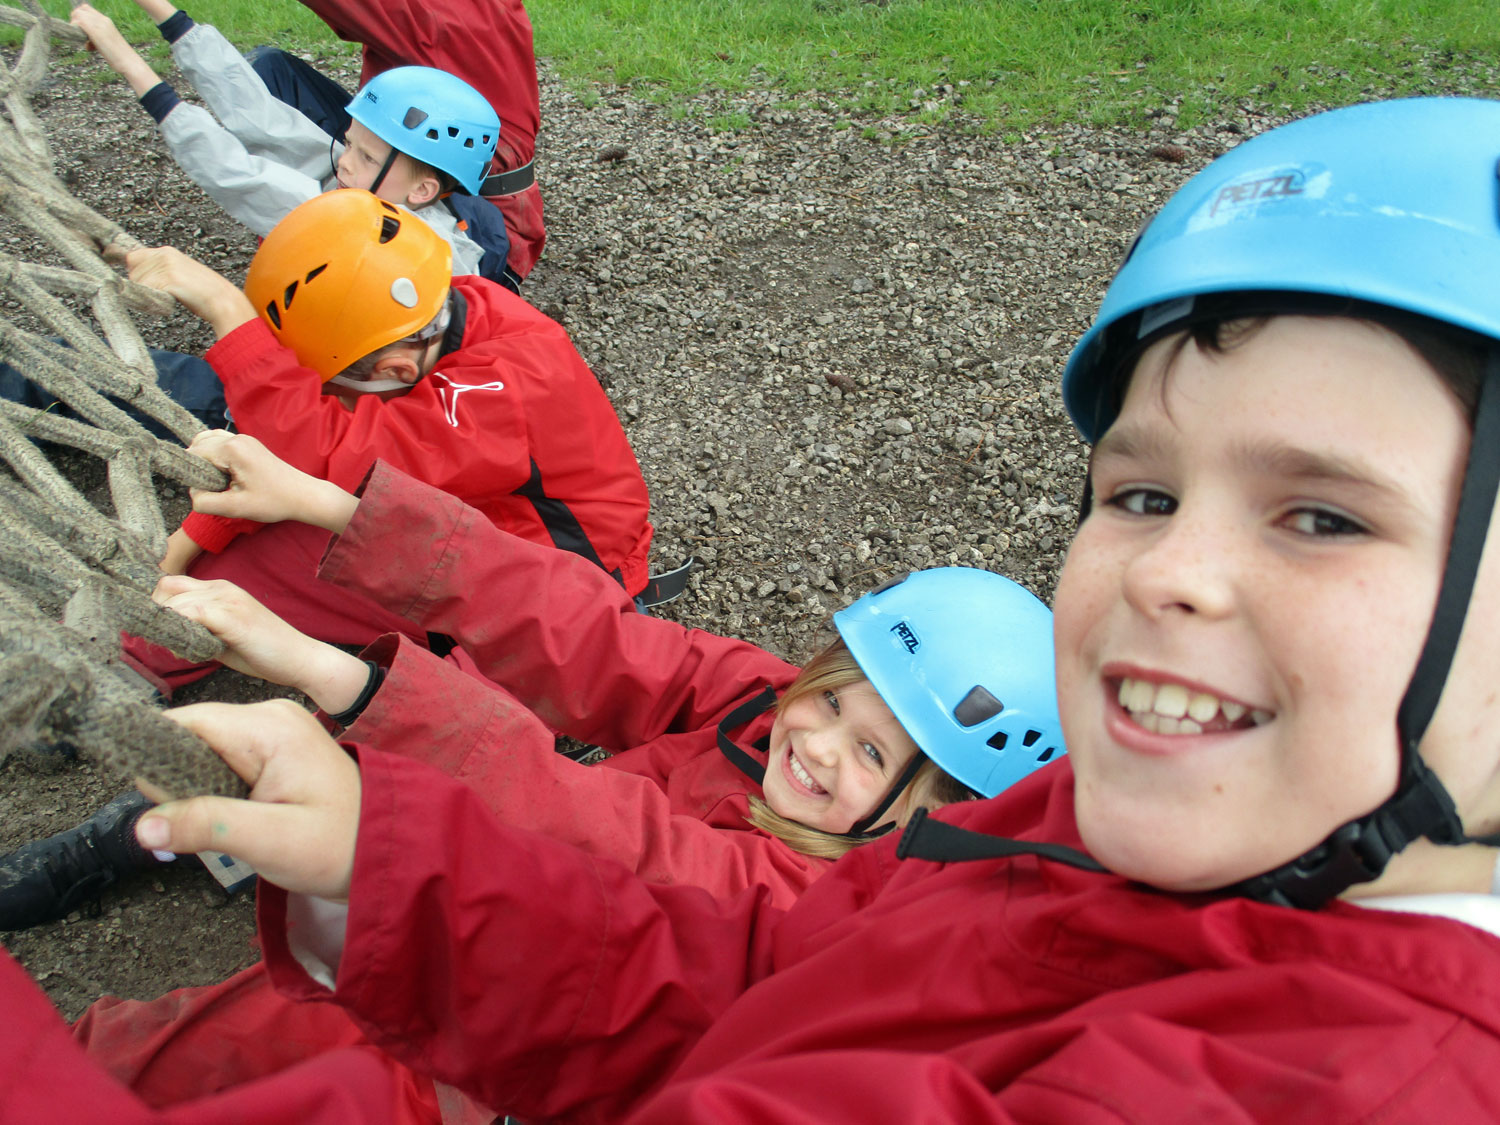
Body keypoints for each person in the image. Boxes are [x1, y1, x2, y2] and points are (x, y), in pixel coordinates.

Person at [8, 94, 1500, 1120]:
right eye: (1139, 491)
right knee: (192, 1028)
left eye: (1325, 514)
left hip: (473, 1033)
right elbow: (731, 912)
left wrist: (371, 711)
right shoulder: (1036, 825)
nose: (1171, 568)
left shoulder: (1308, 1080)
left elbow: (638, 836)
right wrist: (381, 829)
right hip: (495, 927)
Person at [59, 437, 1059, 1122]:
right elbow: (586, 634)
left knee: (312, 1081)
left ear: (930, 815)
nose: (823, 742)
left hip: (505, 1047)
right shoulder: (760, 709)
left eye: (876, 755)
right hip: (460, 906)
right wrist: (330, 506)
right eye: (836, 699)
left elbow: (615, 833)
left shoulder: (812, 907)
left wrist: (340, 677)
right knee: (185, 1042)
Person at [120, 188, 652, 694]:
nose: (320, 402)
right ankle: (128, 658)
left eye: (326, 391)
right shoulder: (432, 318)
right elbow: (290, 461)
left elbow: (323, 458)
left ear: (394, 370)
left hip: (559, 593)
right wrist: (180, 549)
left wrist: (225, 309)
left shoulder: (501, 390)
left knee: (430, 727)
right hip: (463, 524)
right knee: (234, 569)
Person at [69, 3, 504, 283]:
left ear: (423, 191)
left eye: (365, 156)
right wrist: (163, 12)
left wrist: (121, 54)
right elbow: (267, 120)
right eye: (349, 143)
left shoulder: (383, 234)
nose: (344, 163)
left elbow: (235, 173)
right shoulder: (387, 189)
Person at [255, 0, 547, 286]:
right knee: (274, 69)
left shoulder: (436, 12)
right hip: (459, 186)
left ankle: (301, 257)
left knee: (269, 77)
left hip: (476, 238)